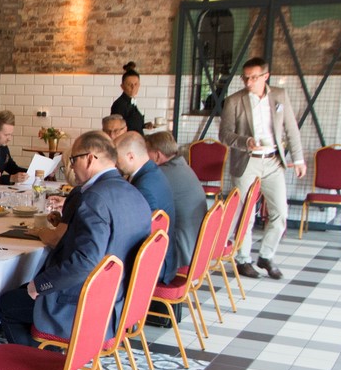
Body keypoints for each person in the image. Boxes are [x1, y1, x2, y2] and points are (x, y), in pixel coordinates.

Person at [0, 131, 150, 345]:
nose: (71, 167)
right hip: (117, 298)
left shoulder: (94, 199)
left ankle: (40, 360)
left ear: (89, 158)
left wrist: (40, 285)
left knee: (7, 303)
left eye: (73, 160)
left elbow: (85, 262)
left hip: (85, 304)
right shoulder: (133, 192)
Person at [219, 56, 307, 280]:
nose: (249, 82)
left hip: (273, 161)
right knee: (246, 213)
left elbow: (291, 129)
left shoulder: (279, 96)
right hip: (247, 160)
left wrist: (298, 159)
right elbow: (224, 135)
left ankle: (266, 256)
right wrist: (246, 141)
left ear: (265, 76)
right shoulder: (234, 101)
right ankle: (243, 259)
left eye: (254, 78)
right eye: (245, 78)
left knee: (280, 212)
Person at [114, 131, 178, 283]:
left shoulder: (144, 185)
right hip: (166, 257)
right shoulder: (151, 172)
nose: (114, 163)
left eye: (116, 158)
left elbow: (141, 231)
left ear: (131, 156)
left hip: (158, 265)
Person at [145, 131, 207, 273]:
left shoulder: (161, 175)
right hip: (198, 246)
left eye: (146, 152)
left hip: (182, 251)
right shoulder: (182, 166)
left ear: (157, 155)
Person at [110, 64, 147, 134]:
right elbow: (116, 130)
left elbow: (131, 124)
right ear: (122, 86)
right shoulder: (119, 105)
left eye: (135, 84)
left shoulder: (132, 102)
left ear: (139, 85)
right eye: (129, 84)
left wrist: (144, 125)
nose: (133, 87)